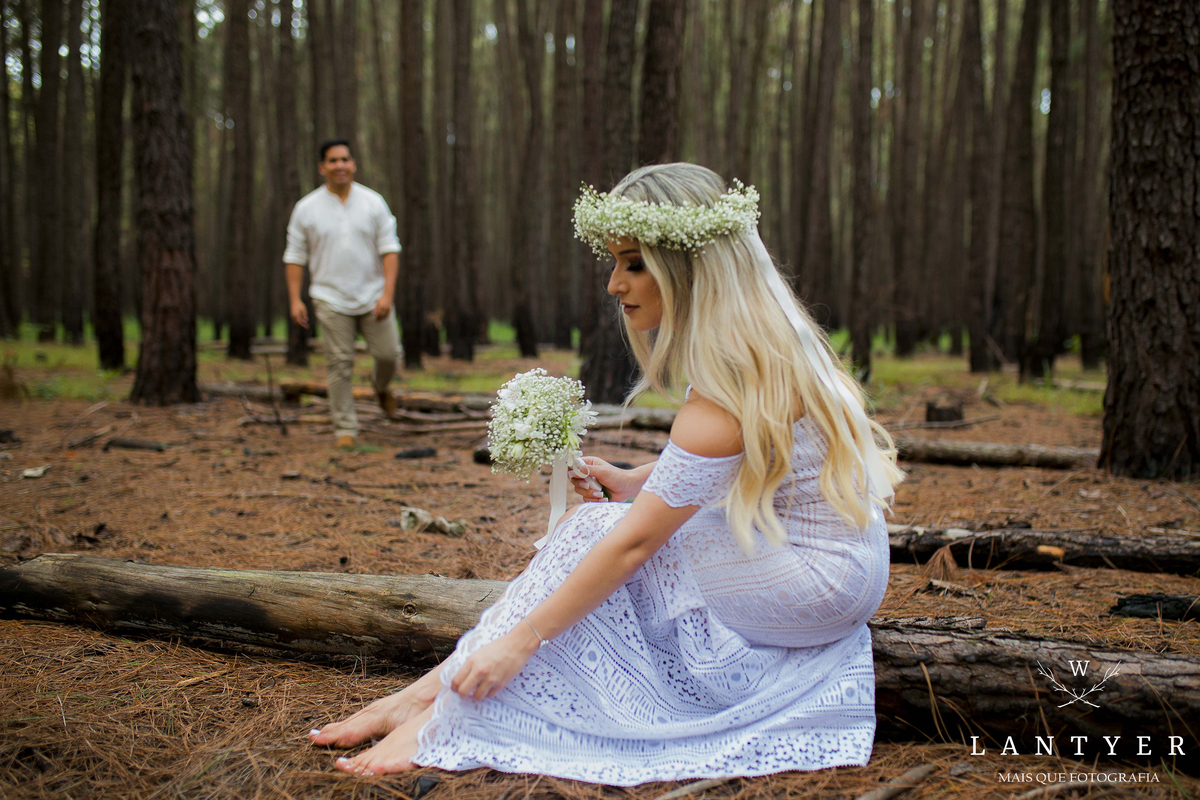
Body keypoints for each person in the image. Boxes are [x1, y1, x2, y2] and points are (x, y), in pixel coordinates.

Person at [306, 163, 904, 783]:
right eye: (613, 263)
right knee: (598, 525)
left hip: (814, 584)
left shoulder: (724, 391)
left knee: (593, 535)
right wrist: (636, 479)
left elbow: (636, 543)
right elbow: (753, 460)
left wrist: (522, 641)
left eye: (633, 263)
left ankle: (442, 707)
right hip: (841, 566)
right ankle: (430, 690)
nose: (615, 284)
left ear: (692, 266)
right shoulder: (765, 345)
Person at [284, 138, 403, 449]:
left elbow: (389, 250)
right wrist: (295, 299)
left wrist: (387, 294)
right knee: (339, 363)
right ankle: (345, 430)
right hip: (329, 296)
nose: (340, 166)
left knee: (388, 355)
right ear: (322, 167)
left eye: (345, 160)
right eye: (333, 161)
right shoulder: (306, 208)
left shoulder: (373, 202)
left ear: (353, 165)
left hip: (373, 295)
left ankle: (381, 387)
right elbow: (295, 256)